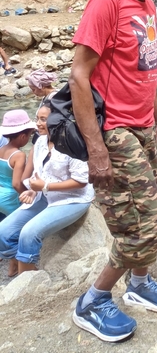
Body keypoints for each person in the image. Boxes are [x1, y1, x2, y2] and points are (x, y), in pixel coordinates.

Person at [69, 0, 157, 343]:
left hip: (144, 127)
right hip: (114, 130)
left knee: (150, 209)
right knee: (147, 221)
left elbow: (147, 71)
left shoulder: (148, 6)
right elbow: (79, 76)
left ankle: (139, 281)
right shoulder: (106, 3)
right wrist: (96, 148)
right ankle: (94, 299)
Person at [0, 103, 94, 277]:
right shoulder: (41, 141)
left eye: (43, 119)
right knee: (3, 231)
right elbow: (39, 172)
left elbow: (81, 181)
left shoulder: (73, 142)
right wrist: (32, 190)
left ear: (58, 119)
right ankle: (29, 271)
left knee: (29, 233)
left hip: (72, 199)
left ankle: (26, 284)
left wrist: (44, 186)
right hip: (44, 195)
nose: (37, 124)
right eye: (37, 119)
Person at [0, 110, 33, 275]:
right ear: (22, 136)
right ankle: (14, 264)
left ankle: (6, 258)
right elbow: (16, 183)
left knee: (4, 224)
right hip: (10, 198)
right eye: (28, 136)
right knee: (17, 230)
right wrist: (26, 194)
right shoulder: (18, 155)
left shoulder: (2, 148)